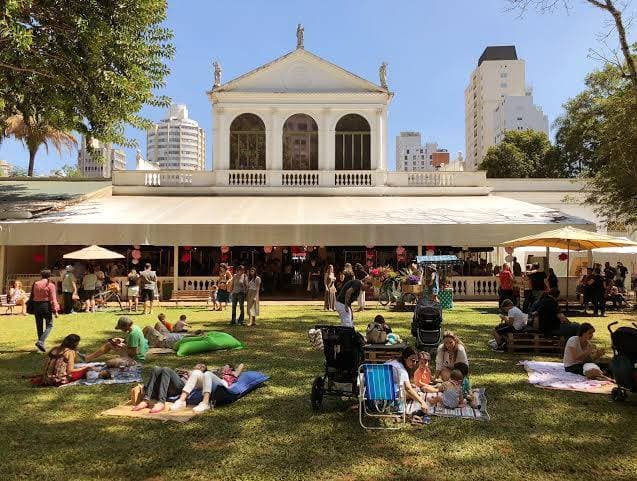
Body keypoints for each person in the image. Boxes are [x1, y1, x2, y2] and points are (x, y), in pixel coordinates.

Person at [385, 347, 429, 414]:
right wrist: (422, 402)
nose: (414, 363)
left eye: (416, 361)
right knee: (414, 393)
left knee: (412, 391)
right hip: (383, 400)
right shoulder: (401, 370)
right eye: (412, 360)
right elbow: (408, 389)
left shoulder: (392, 362)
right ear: (405, 358)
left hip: (372, 394)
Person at [31, 269, 59, 352]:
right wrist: (56, 310)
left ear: (41, 275)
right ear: (49, 276)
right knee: (49, 325)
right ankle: (41, 342)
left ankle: (40, 345)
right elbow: (53, 299)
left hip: (36, 305)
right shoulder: (51, 285)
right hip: (46, 305)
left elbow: (33, 296)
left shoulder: (36, 284)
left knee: (39, 326)